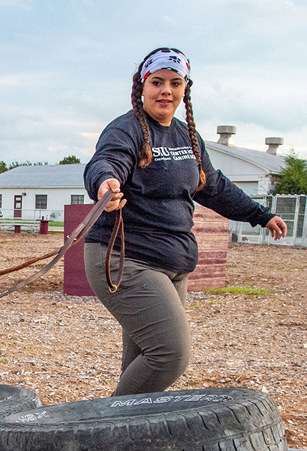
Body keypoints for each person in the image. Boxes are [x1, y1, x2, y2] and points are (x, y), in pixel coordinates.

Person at [83, 47, 287, 397]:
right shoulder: (126, 129)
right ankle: (99, 433)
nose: (166, 90)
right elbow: (105, 162)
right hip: (125, 259)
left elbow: (213, 186)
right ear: (142, 86)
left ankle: (121, 442)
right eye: (157, 82)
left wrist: (260, 215)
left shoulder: (187, 136)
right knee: (170, 355)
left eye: (175, 83)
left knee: (145, 364)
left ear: (184, 90)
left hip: (173, 264)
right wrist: (105, 182)